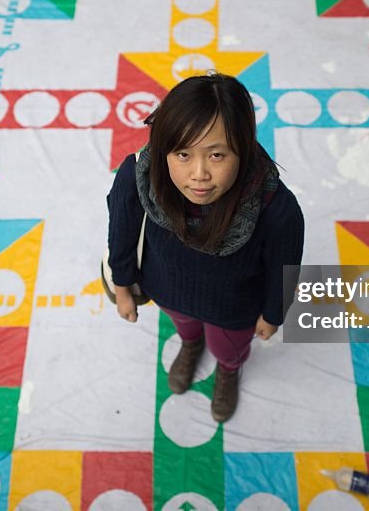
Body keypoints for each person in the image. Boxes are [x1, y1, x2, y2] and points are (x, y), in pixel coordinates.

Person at [106, 72, 305, 422]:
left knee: (227, 347)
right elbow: (121, 234)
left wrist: (273, 314)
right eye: (182, 153)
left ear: (242, 150)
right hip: (167, 288)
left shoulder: (276, 209)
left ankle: (228, 369)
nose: (199, 173)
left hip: (234, 309)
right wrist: (122, 286)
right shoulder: (140, 176)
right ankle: (190, 344)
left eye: (216, 155)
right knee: (184, 324)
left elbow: (284, 270)